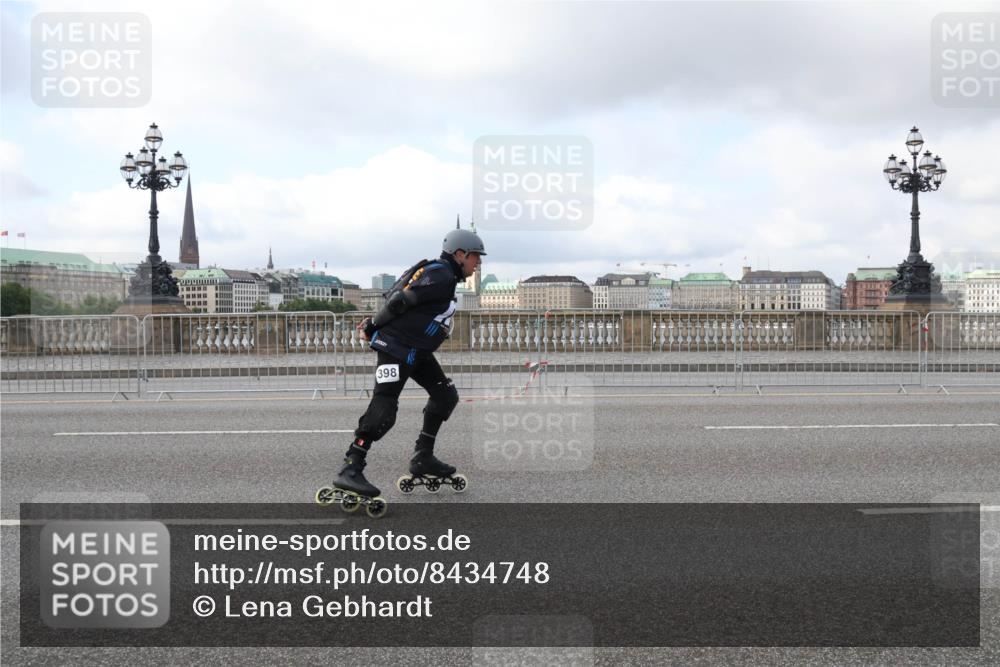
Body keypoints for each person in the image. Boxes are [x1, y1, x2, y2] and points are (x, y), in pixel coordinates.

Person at [332, 228, 486, 498]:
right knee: (384, 409)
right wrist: (372, 325)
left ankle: (423, 457)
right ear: (460, 254)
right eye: (476, 257)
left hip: (416, 351)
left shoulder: (446, 276)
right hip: (396, 348)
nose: (479, 263)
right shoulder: (440, 274)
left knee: (445, 395)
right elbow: (401, 300)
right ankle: (351, 467)